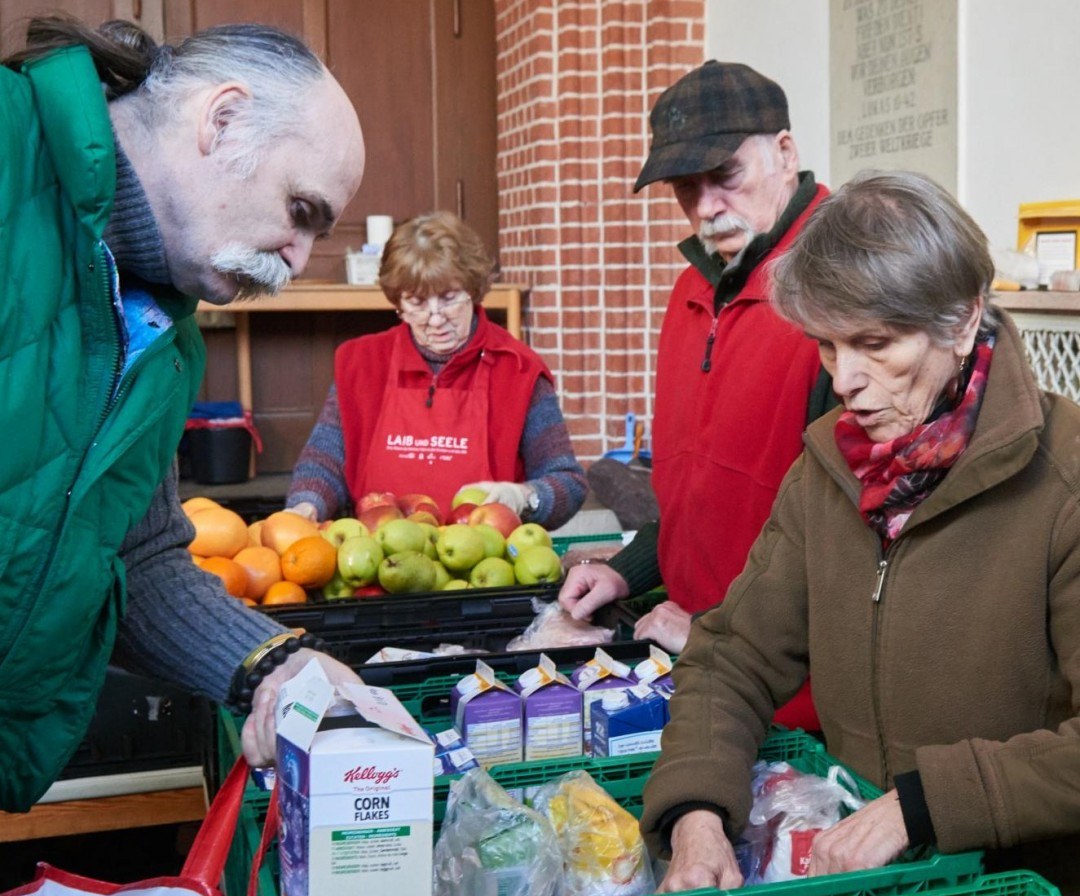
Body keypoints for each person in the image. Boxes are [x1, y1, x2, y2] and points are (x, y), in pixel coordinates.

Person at [641, 171, 1080, 896]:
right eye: (826, 346)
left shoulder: (1063, 479)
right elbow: (731, 658)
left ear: (964, 321)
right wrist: (696, 812)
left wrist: (925, 803)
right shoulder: (832, 467)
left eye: (876, 345)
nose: (846, 380)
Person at [0, 15, 366, 811]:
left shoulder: (166, 338)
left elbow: (141, 554)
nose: (299, 261)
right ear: (221, 118)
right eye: (301, 211)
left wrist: (277, 661)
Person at [557, 62, 832, 728]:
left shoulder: (837, 285)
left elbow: (851, 545)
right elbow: (703, 490)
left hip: (791, 692)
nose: (707, 207)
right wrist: (630, 567)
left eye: (727, 177)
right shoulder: (691, 289)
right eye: (687, 187)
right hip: (693, 655)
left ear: (786, 153)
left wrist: (718, 637)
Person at [286, 211, 586, 529]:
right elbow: (325, 460)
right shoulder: (361, 364)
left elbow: (567, 481)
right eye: (416, 302)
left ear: (473, 289)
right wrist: (306, 504)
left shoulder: (518, 371)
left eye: (448, 298)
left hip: (484, 568)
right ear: (396, 303)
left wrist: (526, 497)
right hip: (378, 559)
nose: (435, 318)